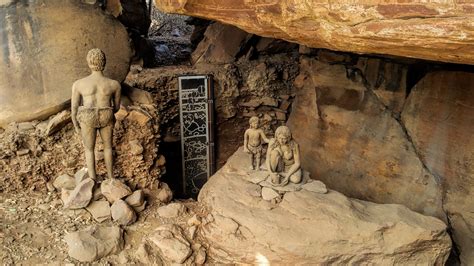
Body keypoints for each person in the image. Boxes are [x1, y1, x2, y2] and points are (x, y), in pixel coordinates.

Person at [71, 48, 121, 180]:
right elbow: (116, 107)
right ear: (104, 62)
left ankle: (93, 179)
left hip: (87, 116)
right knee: (108, 147)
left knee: (89, 149)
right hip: (106, 113)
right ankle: (111, 177)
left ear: (89, 62)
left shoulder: (79, 84)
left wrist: (76, 124)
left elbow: (74, 108)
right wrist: (109, 114)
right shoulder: (114, 84)